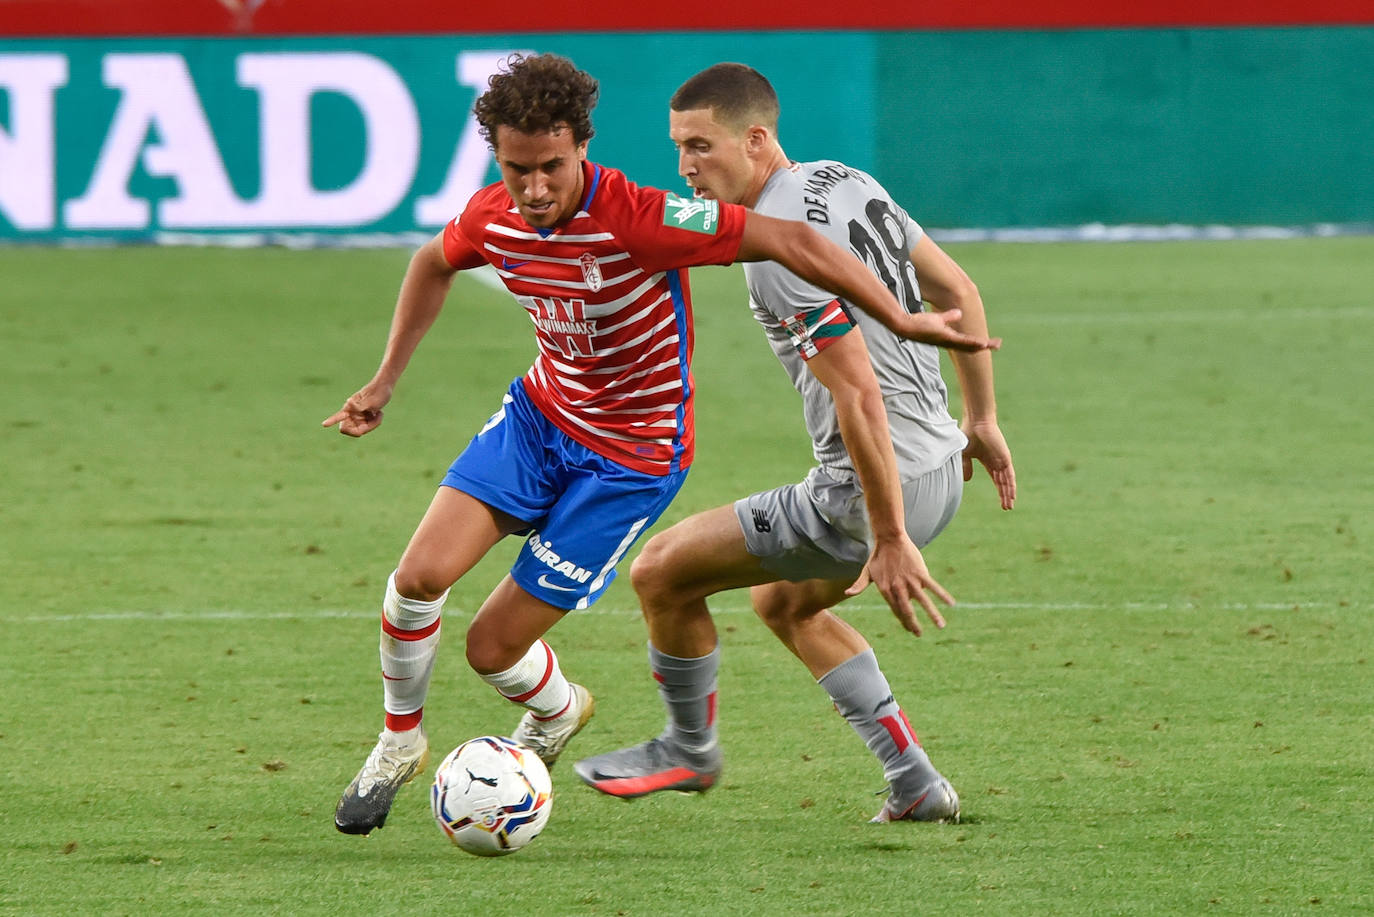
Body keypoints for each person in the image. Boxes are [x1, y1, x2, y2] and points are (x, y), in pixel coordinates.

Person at [324, 53, 997, 836]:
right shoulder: (497, 216)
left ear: (583, 147)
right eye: (516, 170)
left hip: (637, 458)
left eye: (551, 167)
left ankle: (665, 740)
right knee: (418, 579)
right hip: (546, 421)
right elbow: (434, 261)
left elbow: (806, 281)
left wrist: (900, 332)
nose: (534, 188)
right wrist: (384, 380)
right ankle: (399, 743)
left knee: (580, 609)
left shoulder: (651, 218)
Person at [573, 63, 1016, 823]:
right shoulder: (846, 179)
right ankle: (912, 780)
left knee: (660, 574)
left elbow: (857, 393)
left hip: (874, 492)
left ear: (756, 138)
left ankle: (688, 745)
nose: (685, 167)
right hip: (942, 464)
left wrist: (886, 534)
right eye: (678, 147)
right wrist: (980, 420)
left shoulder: (780, 253)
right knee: (783, 601)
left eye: (700, 146)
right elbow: (960, 292)